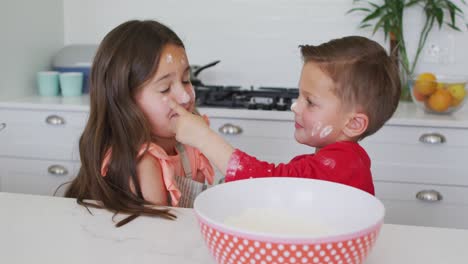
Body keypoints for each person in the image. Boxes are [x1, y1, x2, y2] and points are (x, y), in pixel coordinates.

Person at [165, 36, 401, 195]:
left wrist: (204, 138)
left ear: (354, 123)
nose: (295, 107)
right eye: (300, 96)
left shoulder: (341, 165)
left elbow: (266, 181)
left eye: (310, 101)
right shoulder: (333, 163)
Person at [64, 20, 214, 227]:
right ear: (125, 99)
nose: (185, 97)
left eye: (187, 80)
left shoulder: (189, 140)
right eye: (164, 89)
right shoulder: (143, 164)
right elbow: (158, 235)